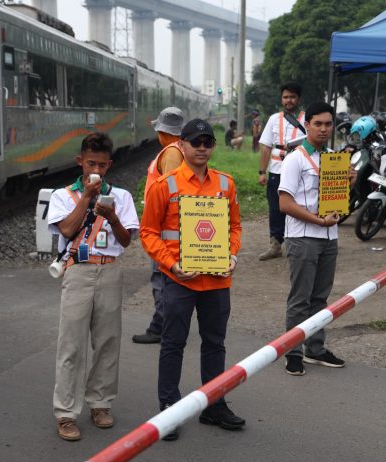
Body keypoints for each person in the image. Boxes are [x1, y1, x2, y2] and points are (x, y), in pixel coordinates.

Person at [140, 118, 245, 441]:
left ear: (213, 147)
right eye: (195, 142)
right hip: (180, 280)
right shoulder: (165, 185)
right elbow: (148, 232)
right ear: (181, 146)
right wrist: (171, 265)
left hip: (216, 282)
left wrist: (232, 255)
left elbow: (235, 228)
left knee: (215, 344)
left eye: (207, 142)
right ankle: (169, 409)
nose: (201, 148)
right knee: (173, 343)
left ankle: (213, 404)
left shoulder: (226, 185)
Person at [47, 132, 140, 441]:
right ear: (80, 162)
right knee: (71, 344)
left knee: (107, 341)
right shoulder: (64, 195)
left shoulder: (122, 197)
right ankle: (66, 412)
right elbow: (67, 229)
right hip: (77, 271)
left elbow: (126, 241)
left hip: (110, 271)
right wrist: (87, 197)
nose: (95, 170)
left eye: (101, 164)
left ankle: (100, 403)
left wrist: (112, 217)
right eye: (90, 164)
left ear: (110, 164)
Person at [278, 101, 353, 376]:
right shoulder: (294, 159)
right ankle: (293, 352)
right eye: (317, 124)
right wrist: (319, 221)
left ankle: (316, 349)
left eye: (328, 124)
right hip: (302, 237)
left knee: (320, 298)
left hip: (329, 237)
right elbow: (285, 204)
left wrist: (349, 181)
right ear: (307, 124)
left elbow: (335, 197)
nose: (323, 129)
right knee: (300, 298)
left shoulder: (334, 157)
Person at [132, 107, 186, 345]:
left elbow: (172, 192)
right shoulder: (176, 149)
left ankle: (162, 327)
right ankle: (163, 324)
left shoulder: (172, 152)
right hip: (166, 227)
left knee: (161, 277)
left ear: (163, 132)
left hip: (165, 229)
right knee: (163, 278)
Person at [257, 81, 306, 261]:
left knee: (299, 207)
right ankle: (275, 245)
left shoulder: (306, 119)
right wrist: (262, 172)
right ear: (281, 99)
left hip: (300, 171)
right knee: (275, 209)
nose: (289, 100)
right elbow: (266, 148)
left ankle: (297, 244)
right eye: (285, 97)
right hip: (276, 171)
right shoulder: (273, 119)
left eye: (292, 97)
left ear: (298, 99)